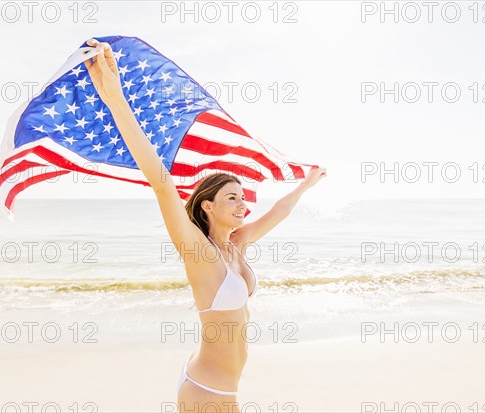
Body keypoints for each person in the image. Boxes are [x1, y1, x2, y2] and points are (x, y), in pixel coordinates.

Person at [84, 38, 327, 412]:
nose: (243, 204)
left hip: (226, 390)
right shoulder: (198, 251)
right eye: (232, 197)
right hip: (205, 392)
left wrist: (306, 184)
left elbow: (280, 211)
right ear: (208, 206)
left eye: (243, 197)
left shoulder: (237, 245)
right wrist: (115, 97)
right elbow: (160, 181)